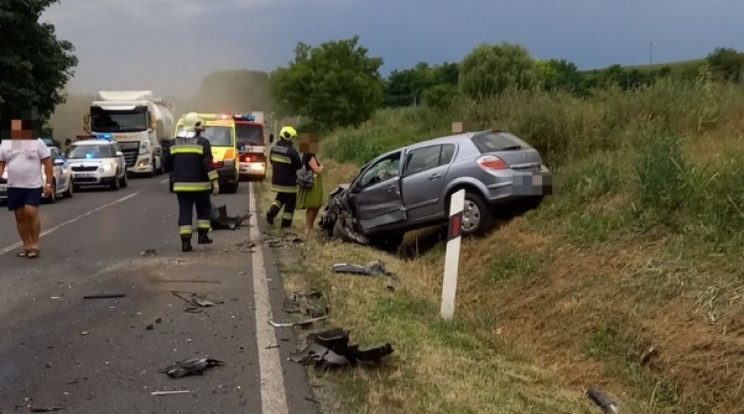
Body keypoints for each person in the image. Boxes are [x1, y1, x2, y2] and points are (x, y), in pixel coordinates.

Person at [166, 112, 220, 252]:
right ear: (194, 126)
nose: (201, 127)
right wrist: (215, 182)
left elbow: (167, 164)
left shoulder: (173, 143)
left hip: (180, 186)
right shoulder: (203, 143)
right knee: (203, 209)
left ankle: (185, 243)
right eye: (199, 125)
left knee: (185, 211)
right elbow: (208, 165)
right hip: (201, 186)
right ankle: (203, 236)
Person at [0, 135, 54, 258]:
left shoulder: (37, 142)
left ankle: (35, 245)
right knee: (20, 216)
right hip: (14, 185)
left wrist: (49, 183)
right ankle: (27, 245)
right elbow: (1, 164)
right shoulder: (6, 144)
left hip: (33, 185)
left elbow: (47, 162)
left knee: (30, 212)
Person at [266, 126, 302, 229]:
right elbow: (299, 165)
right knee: (290, 203)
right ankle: (285, 224)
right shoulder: (292, 151)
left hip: (277, 181)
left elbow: (271, 161)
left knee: (280, 198)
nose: (293, 139)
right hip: (289, 183)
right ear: (288, 136)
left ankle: (271, 213)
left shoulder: (274, 148)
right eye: (293, 137)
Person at [297, 136, 326, 233]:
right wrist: (322, 167)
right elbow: (317, 170)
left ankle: (309, 227)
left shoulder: (306, 154)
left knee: (315, 205)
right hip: (312, 184)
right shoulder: (310, 155)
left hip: (313, 183)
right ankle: (308, 227)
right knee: (313, 205)